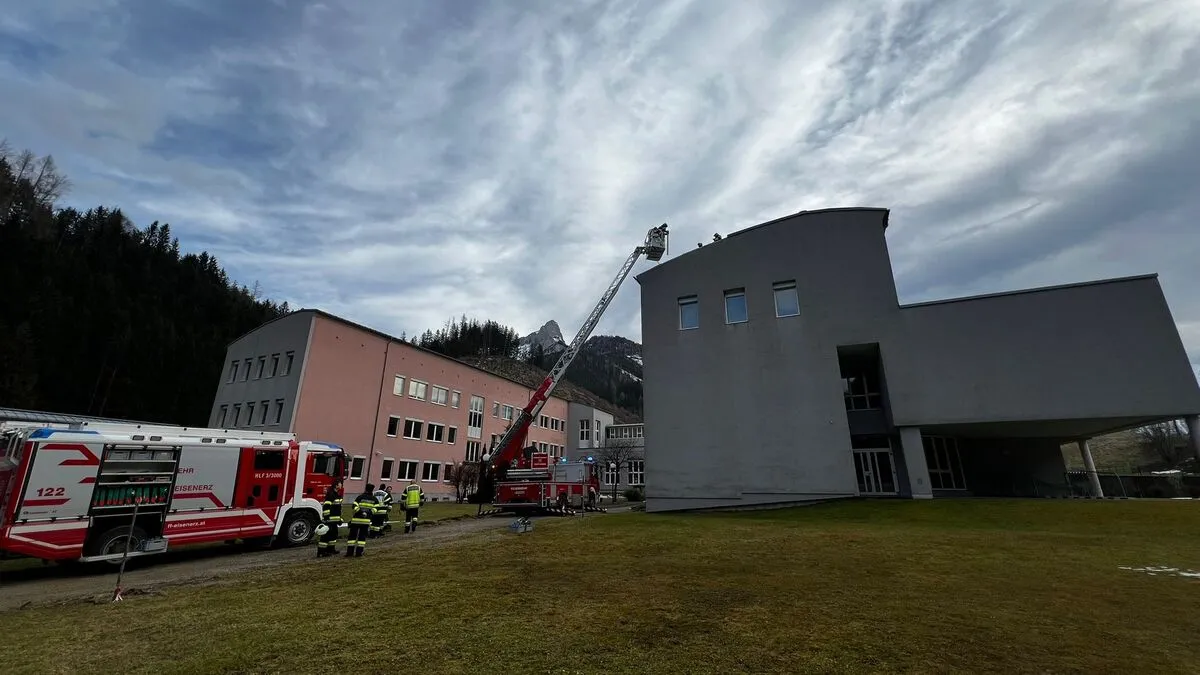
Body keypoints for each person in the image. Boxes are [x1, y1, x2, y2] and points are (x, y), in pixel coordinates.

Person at [346, 483, 378, 557]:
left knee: (352, 537)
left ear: (365, 489)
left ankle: (349, 553)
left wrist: (360, 512)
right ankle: (359, 553)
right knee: (362, 538)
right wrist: (368, 513)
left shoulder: (360, 497)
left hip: (356, 520)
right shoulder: (374, 499)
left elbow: (354, 506)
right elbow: (376, 509)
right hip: (366, 521)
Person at [317, 479, 343, 557]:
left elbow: (337, 509)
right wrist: (327, 518)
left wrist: (339, 519)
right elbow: (326, 507)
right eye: (340, 483)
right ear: (336, 485)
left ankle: (331, 549)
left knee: (333, 535)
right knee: (326, 536)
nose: (341, 485)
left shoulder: (336, 495)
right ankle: (321, 551)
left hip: (334, 520)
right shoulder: (331, 495)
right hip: (330, 520)